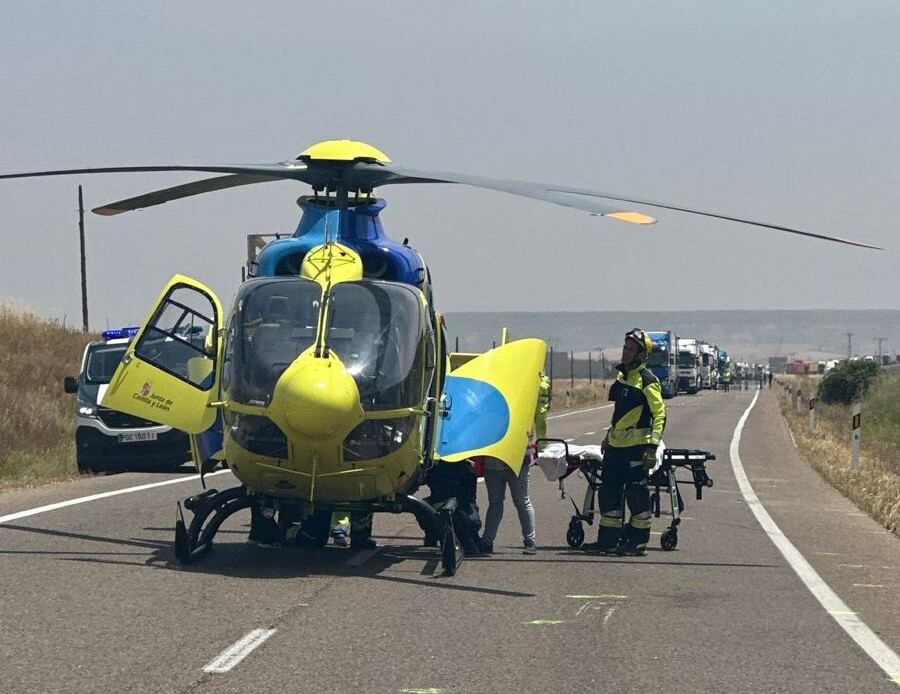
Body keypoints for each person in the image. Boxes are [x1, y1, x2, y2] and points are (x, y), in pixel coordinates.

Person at [583, 329, 666, 556]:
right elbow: (620, 415)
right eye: (625, 348)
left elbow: (659, 415)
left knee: (636, 495)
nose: (625, 352)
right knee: (608, 493)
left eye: (631, 349)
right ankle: (608, 540)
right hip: (616, 448)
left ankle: (638, 543)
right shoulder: (622, 378)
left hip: (637, 449)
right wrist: (608, 437)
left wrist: (652, 447)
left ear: (640, 354)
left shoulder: (648, 381)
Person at [478, 372, 550, 556]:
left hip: (509, 455)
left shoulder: (523, 390)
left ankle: (493, 541)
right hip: (501, 455)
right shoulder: (526, 390)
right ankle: (493, 541)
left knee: (507, 502)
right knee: (513, 501)